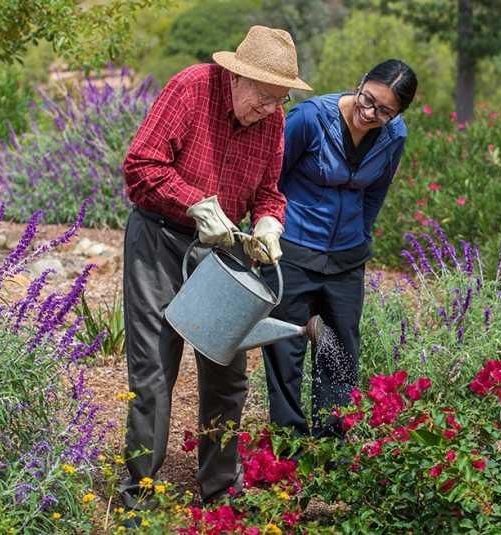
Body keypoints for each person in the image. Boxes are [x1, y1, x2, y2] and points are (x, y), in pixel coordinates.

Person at [119, 25, 311, 508]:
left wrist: (269, 223)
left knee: (227, 370)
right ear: (238, 78)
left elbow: (269, 191)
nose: (272, 110)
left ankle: (220, 490)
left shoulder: (271, 119)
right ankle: (139, 494)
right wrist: (194, 204)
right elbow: (141, 166)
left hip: (222, 251)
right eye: (266, 98)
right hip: (160, 238)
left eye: (280, 100)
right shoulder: (190, 89)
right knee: (155, 371)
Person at [261, 59, 417, 436]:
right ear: (360, 82)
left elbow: (376, 191)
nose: (370, 113)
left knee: (340, 350)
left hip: (347, 257)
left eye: (384, 111)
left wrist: (362, 234)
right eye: (367, 100)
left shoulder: (394, 135)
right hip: (293, 249)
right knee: (287, 347)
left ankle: (332, 444)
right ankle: (289, 443)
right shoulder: (311, 117)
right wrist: (266, 229)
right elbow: (271, 176)